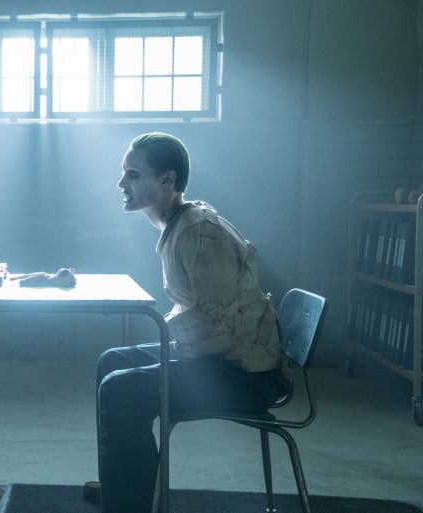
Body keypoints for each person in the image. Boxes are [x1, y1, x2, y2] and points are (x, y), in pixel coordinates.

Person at [86, 132, 290, 513]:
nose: (121, 183)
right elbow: (207, 320)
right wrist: (174, 339)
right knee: (111, 361)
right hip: (222, 359)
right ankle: (126, 487)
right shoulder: (178, 226)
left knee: (120, 390)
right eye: (124, 173)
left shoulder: (198, 232)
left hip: (248, 376)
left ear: (167, 180)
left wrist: (171, 339)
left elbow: (218, 327)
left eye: (133, 175)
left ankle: (132, 505)